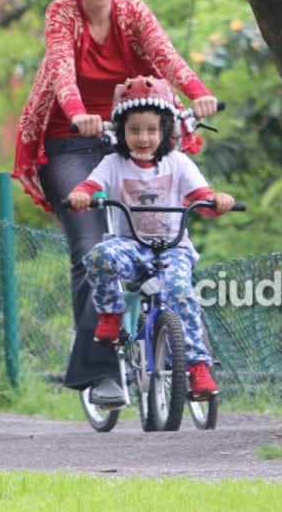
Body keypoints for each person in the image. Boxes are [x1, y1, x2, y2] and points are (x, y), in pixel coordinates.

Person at [12, 0, 219, 399]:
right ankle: (101, 370)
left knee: (162, 232)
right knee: (91, 246)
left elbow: (167, 58)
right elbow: (62, 67)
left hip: (131, 138)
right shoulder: (62, 15)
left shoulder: (133, 13)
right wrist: (78, 112)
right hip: (72, 140)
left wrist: (199, 94)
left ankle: (168, 337)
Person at [67, 75, 235, 404]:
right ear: (121, 132)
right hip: (129, 246)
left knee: (181, 293)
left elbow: (202, 197)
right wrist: (80, 195)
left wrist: (218, 202)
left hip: (173, 248)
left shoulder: (178, 163)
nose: (142, 138)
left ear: (165, 132)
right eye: (134, 130)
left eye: (150, 130)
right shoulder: (113, 163)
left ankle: (197, 365)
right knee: (100, 256)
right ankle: (111, 314)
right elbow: (90, 186)